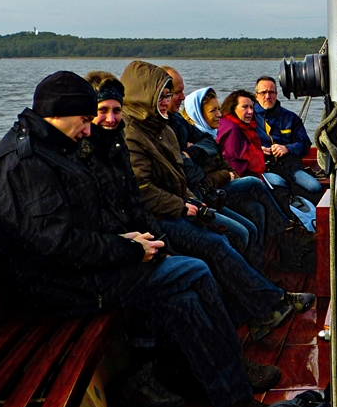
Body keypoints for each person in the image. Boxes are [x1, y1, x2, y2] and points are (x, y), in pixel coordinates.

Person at [0, 71, 271, 407]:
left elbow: (77, 225)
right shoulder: (27, 165)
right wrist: (128, 249)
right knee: (194, 272)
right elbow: (57, 244)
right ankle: (233, 388)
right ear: (60, 112)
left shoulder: (50, 150)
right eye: (86, 120)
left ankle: (229, 397)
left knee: (184, 298)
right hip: (57, 287)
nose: (89, 130)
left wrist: (128, 237)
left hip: (74, 272)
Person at [119, 62, 315, 342]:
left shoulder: (163, 127)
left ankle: (263, 296)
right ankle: (268, 301)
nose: (172, 100)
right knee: (224, 239)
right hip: (165, 215)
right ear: (145, 96)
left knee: (249, 222)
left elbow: (203, 158)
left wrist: (195, 171)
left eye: (172, 94)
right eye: (164, 95)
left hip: (193, 198)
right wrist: (185, 203)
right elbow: (146, 188)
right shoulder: (135, 134)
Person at [180, 84, 293, 269]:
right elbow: (205, 180)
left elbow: (228, 167)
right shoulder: (194, 143)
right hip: (208, 196)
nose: (219, 114)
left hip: (222, 188)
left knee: (257, 209)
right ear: (198, 113)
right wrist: (226, 175)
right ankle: (285, 226)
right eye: (213, 110)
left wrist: (228, 173)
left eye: (219, 109)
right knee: (254, 183)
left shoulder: (209, 136)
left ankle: (258, 268)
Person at [254, 76, 324, 196]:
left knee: (315, 187)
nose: (267, 96)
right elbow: (239, 146)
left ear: (276, 94)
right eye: (263, 93)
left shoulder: (291, 118)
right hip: (263, 168)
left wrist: (287, 149)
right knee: (278, 183)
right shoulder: (249, 118)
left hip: (290, 168)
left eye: (271, 92)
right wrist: (257, 150)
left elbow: (305, 144)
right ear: (256, 96)